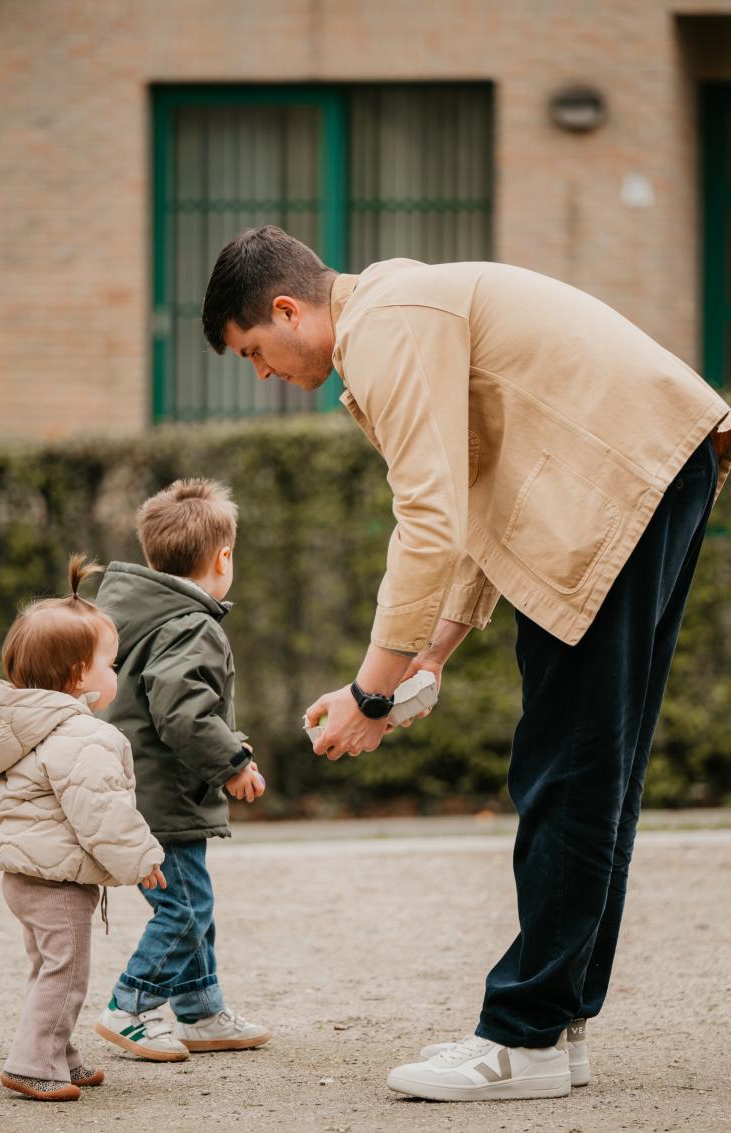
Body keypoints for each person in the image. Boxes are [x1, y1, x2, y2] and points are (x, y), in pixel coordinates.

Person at [202, 225, 731, 1102]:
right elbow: (477, 503)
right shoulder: (404, 306)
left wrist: (372, 690)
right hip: (653, 466)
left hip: (618, 484)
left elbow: (429, 518)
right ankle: (555, 1023)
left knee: (567, 767)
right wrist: (431, 657)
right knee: (597, 766)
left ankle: (523, 1036)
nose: (261, 373)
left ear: (288, 310)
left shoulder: (384, 325)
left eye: (253, 349)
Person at [0, 555, 166, 1103]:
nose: (115, 673)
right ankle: (31, 1065)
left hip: (25, 875)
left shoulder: (22, 728)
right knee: (66, 971)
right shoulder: (82, 736)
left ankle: (58, 1054)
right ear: (78, 675)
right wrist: (142, 857)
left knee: (49, 968)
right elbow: (101, 812)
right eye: (110, 664)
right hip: (57, 882)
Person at [94, 478, 271, 1060]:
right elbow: (182, 711)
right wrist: (233, 762)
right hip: (164, 792)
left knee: (190, 901)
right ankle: (131, 1004)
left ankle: (200, 1010)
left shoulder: (125, 614)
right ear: (223, 558)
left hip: (132, 784)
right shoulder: (191, 624)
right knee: (185, 908)